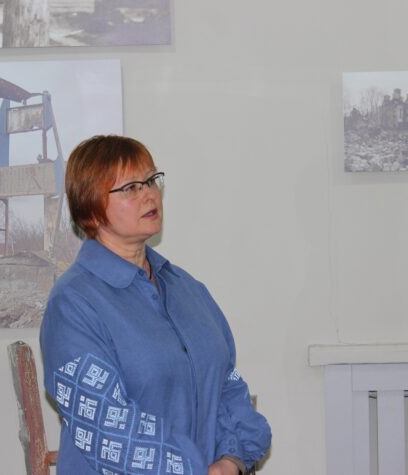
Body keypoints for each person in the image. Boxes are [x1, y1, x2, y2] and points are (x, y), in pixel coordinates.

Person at [40, 135, 271, 475]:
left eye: (151, 180)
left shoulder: (187, 289)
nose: (149, 194)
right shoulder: (73, 304)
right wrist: (196, 469)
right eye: (130, 188)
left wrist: (230, 460)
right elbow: (108, 429)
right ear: (91, 206)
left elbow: (226, 382)